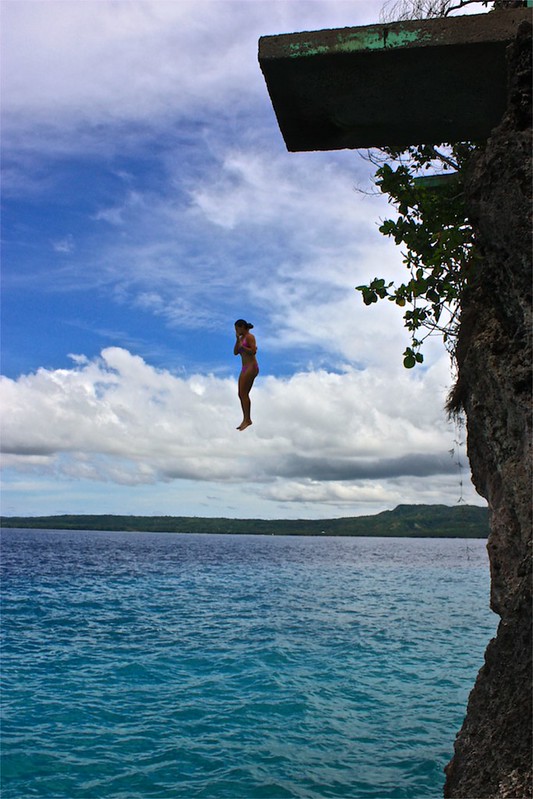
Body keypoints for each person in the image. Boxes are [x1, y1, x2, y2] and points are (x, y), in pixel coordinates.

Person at [234, 319, 259, 430]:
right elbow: (235, 352)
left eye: (237, 329)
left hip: (251, 366)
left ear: (242, 327)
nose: (236, 331)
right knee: (241, 394)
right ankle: (246, 419)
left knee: (244, 394)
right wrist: (237, 341)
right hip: (244, 368)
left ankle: (247, 419)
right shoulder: (241, 339)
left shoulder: (250, 337)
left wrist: (243, 347)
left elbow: (253, 351)